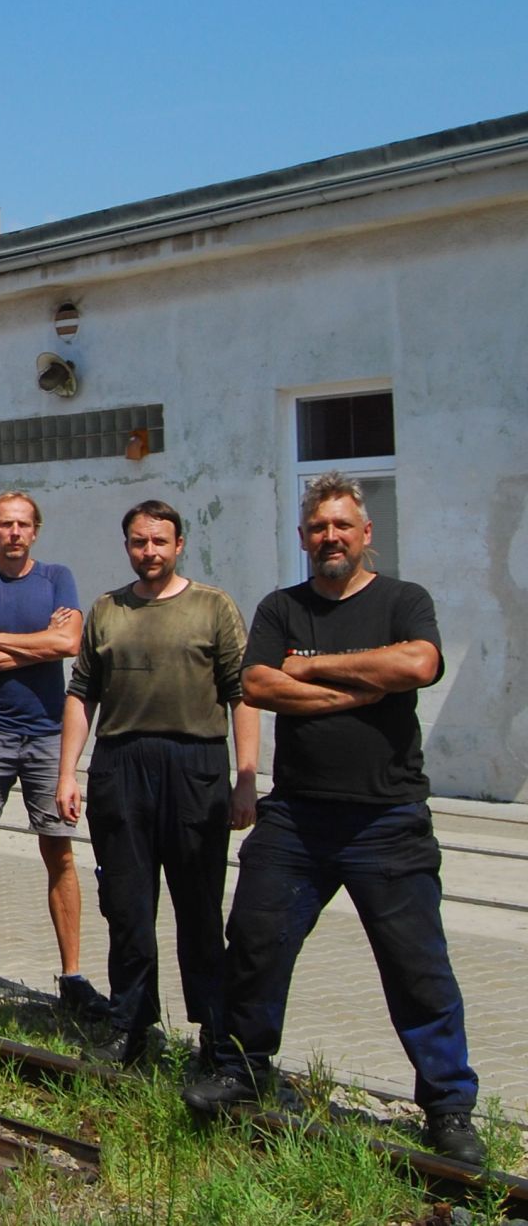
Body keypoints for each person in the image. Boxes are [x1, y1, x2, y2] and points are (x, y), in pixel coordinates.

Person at [184, 474, 482, 1165]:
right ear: (303, 536)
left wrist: (316, 670)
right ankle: (240, 1067)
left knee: (417, 966)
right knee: (254, 939)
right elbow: (258, 682)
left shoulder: (404, 600)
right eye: (319, 527)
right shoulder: (281, 607)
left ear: (365, 532)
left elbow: (420, 660)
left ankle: (448, 1104)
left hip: (388, 817)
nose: (331, 537)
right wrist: (354, 689)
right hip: (297, 819)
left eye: (343, 526)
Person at [56, 499, 259, 1066]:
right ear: (128, 547)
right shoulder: (107, 609)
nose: (150, 552)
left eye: (160, 542)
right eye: (139, 543)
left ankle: (216, 1035)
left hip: (195, 765)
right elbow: (82, 694)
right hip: (121, 765)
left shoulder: (213, 608)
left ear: (179, 545)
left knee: (198, 909)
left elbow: (243, 695)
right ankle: (131, 1026)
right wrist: (68, 772)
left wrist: (246, 779)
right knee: (126, 906)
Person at [0, 491, 105, 1019]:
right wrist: (39, 640)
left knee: (59, 852)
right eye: (5, 524)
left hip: (47, 737)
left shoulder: (57, 577)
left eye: (23, 524)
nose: (14, 532)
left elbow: (69, 645)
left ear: (35, 531)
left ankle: (74, 977)